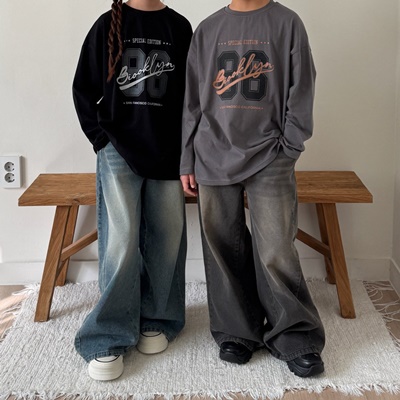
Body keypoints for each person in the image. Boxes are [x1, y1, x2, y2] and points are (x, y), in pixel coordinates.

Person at [180, 0, 325, 378]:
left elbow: (302, 88)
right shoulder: (207, 29)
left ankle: (295, 335)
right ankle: (237, 331)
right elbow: (191, 101)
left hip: (271, 154)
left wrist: (290, 147)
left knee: (276, 248)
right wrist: (186, 158)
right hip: (212, 155)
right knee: (222, 246)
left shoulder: (287, 23)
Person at [72, 0, 192, 381]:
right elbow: (82, 88)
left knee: (167, 237)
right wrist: (101, 141)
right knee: (120, 242)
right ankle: (108, 333)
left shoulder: (179, 28)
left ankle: (158, 317)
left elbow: (191, 99)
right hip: (118, 152)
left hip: (168, 153)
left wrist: (189, 153)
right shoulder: (107, 25)